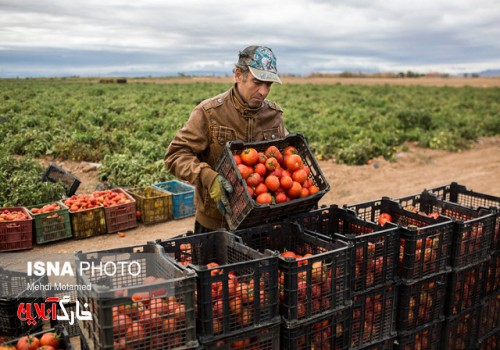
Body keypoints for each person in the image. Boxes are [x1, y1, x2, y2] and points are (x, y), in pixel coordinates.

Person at [164, 45, 286, 233]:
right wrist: (207, 176)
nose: (263, 91)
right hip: (216, 223)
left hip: (262, 220)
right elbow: (175, 155)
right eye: (257, 82)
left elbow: (283, 160)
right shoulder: (210, 112)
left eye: (268, 85)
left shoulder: (274, 114)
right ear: (238, 75)